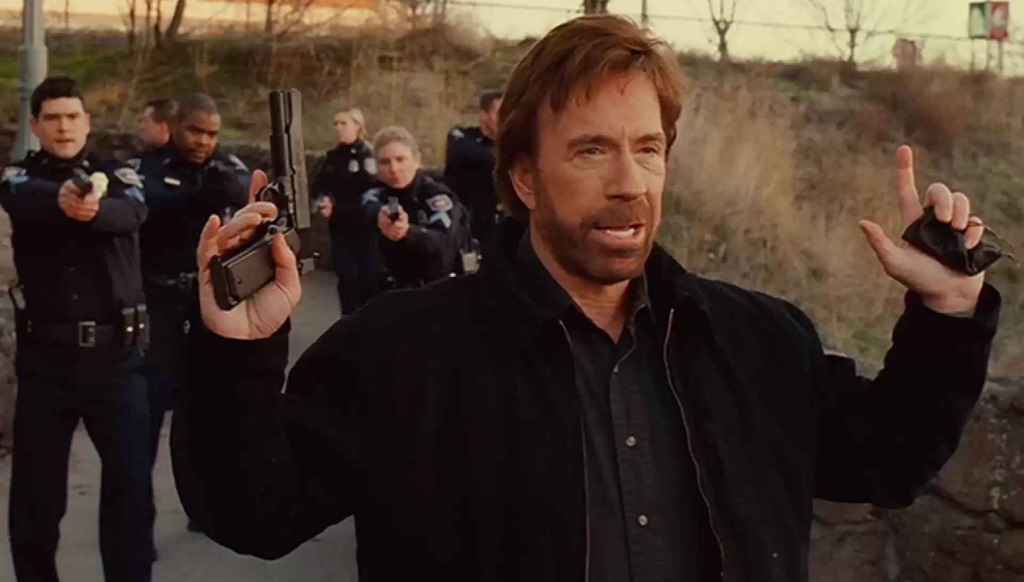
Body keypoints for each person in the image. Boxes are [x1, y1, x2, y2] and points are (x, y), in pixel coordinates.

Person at [171, 15, 1001, 581]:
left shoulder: (758, 341)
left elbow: (891, 458)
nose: (629, 182)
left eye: (648, 148)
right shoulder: (402, 352)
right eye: (592, 151)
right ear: (526, 177)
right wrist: (236, 351)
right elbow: (251, 512)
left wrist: (949, 315)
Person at [0, 77, 152, 581]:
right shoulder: (21, 177)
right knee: (36, 502)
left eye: (72, 116)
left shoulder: (119, 173)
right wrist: (65, 200)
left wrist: (94, 208)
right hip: (47, 362)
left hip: (117, 360)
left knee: (130, 494)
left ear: (87, 122)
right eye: (52, 118)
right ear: (36, 125)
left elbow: (130, 212)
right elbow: (22, 196)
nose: (63, 127)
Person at [133, 93, 250, 537]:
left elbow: (252, 193)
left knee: (204, 413)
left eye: (212, 134)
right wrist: (199, 197)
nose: (203, 141)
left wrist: (230, 190)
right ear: (174, 126)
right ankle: (137, 523)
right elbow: (150, 205)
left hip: (207, 303)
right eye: (195, 131)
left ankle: (203, 509)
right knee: (145, 419)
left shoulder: (225, 167)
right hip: (160, 304)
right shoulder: (147, 168)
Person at [367, 126, 472, 289]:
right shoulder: (376, 194)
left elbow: (443, 242)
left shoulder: (435, 195)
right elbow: (365, 210)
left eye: (400, 159)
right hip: (392, 289)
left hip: (437, 288)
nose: (393, 169)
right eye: (385, 162)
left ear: (416, 160)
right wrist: (382, 218)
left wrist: (408, 232)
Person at [310, 107, 379, 314]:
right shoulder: (332, 157)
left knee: (368, 281)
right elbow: (319, 185)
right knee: (346, 279)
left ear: (358, 126)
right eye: (336, 124)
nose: (338, 128)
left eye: (344, 123)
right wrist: (323, 199)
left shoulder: (368, 156)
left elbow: (372, 196)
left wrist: (338, 210)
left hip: (365, 229)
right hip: (340, 230)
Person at [443, 90, 502, 256]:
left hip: (499, 225)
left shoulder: (513, 144)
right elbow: (468, 152)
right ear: (484, 115)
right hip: (466, 226)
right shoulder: (462, 137)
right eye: (500, 113)